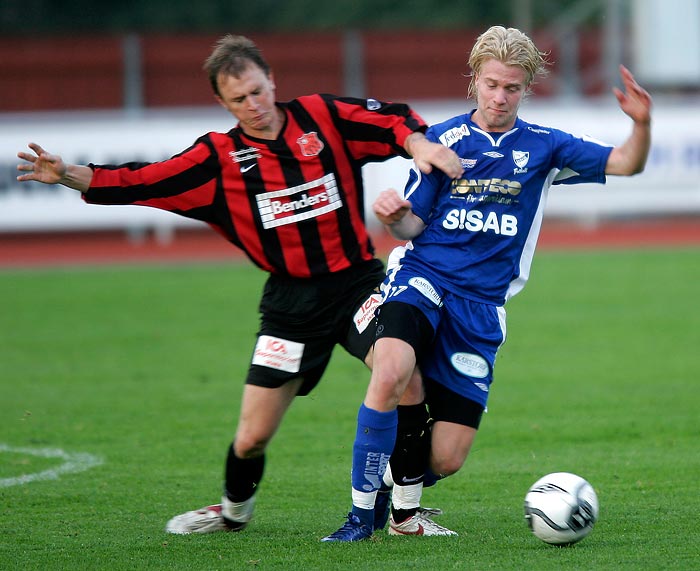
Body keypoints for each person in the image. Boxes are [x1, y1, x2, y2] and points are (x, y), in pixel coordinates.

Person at [16, 34, 464, 535]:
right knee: (251, 438)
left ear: (272, 80)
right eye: (238, 99)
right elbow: (143, 181)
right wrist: (68, 175)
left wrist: (419, 142)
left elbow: (392, 120)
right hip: (290, 307)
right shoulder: (219, 159)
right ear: (221, 103)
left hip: (358, 285)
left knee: (403, 378)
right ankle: (233, 514)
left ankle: (404, 512)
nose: (252, 106)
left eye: (257, 91)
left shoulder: (322, 118)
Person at [323, 25, 652, 541]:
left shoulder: (545, 147)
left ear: (527, 89)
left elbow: (627, 163)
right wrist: (395, 217)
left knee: (448, 457)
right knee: (393, 371)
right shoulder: (444, 139)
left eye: (512, 87)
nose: (500, 97)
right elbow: (412, 228)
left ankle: (398, 496)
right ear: (474, 79)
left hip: (480, 307)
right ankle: (362, 517)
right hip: (423, 278)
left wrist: (641, 124)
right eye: (492, 84)